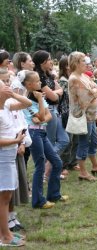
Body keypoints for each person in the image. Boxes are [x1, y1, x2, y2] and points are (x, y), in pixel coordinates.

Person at [20, 70, 68, 208]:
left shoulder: (38, 95)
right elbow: (41, 116)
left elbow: (47, 117)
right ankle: (38, 200)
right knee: (40, 165)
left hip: (42, 132)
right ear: (29, 84)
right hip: (34, 134)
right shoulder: (27, 100)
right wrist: (41, 102)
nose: (40, 83)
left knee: (57, 162)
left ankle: (54, 194)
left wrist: (41, 116)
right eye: (37, 81)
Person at [68, 51, 97, 182]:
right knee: (84, 143)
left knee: (93, 141)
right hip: (83, 116)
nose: (87, 63)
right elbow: (86, 97)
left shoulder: (84, 76)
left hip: (91, 115)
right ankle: (83, 172)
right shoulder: (74, 78)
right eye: (84, 61)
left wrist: (94, 91)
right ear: (76, 63)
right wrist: (94, 92)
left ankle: (95, 166)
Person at [32, 50, 69, 181]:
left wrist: (56, 92)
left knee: (64, 140)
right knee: (50, 142)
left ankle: (49, 169)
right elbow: (53, 95)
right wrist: (57, 92)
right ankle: (45, 173)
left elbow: (60, 91)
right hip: (48, 111)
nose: (52, 61)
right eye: (49, 59)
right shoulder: (39, 78)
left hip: (55, 110)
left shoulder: (49, 76)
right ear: (43, 62)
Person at [0, 81, 27, 247]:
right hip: (3, 157)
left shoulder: (7, 107)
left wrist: (13, 94)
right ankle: (5, 236)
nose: (7, 86)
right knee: (3, 198)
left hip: (8, 157)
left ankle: (6, 233)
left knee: (6, 196)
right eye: (3, 85)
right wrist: (15, 140)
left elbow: (26, 103)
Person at [57, 57, 80, 177]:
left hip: (75, 112)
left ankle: (72, 162)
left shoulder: (73, 79)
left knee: (75, 139)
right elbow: (66, 97)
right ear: (66, 66)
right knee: (68, 140)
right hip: (67, 112)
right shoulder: (63, 81)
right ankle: (63, 165)